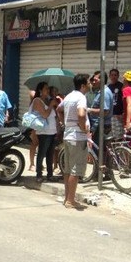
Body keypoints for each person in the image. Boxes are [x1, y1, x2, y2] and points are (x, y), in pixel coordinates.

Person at [57, 74, 91, 210]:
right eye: (88, 82)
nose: (90, 84)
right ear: (83, 85)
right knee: (75, 171)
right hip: (77, 138)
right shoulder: (81, 97)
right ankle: (71, 200)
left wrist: (63, 122)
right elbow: (81, 114)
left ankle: (67, 198)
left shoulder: (69, 96)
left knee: (68, 170)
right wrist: (83, 128)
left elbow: (59, 109)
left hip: (68, 135)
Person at [30, 82, 59, 183]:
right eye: (46, 89)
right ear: (40, 91)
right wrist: (51, 105)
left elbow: (54, 116)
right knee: (42, 153)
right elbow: (45, 115)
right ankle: (39, 174)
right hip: (43, 132)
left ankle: (50, 174)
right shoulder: (37, 101)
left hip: (52, 131)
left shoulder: (47, 100)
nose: (48, 91)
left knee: (50, 154)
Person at [87, 70, 113, 146]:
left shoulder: (104, 93)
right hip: (98, 126)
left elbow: (105, 111)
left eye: (95, 80)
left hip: (101, 126)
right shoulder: (100, 92)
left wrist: (89, 110)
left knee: (98, 150)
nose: (93, 82)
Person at [108, 68, 124, 140]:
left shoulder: (121, 86)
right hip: (110, 115)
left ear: (118, 76)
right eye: (112, 75)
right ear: (109, 76)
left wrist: (123, 113)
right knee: (110, 136)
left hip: (118, 116)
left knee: (118, 136)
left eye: (115, 75)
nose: (113, 77)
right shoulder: (108, 88)